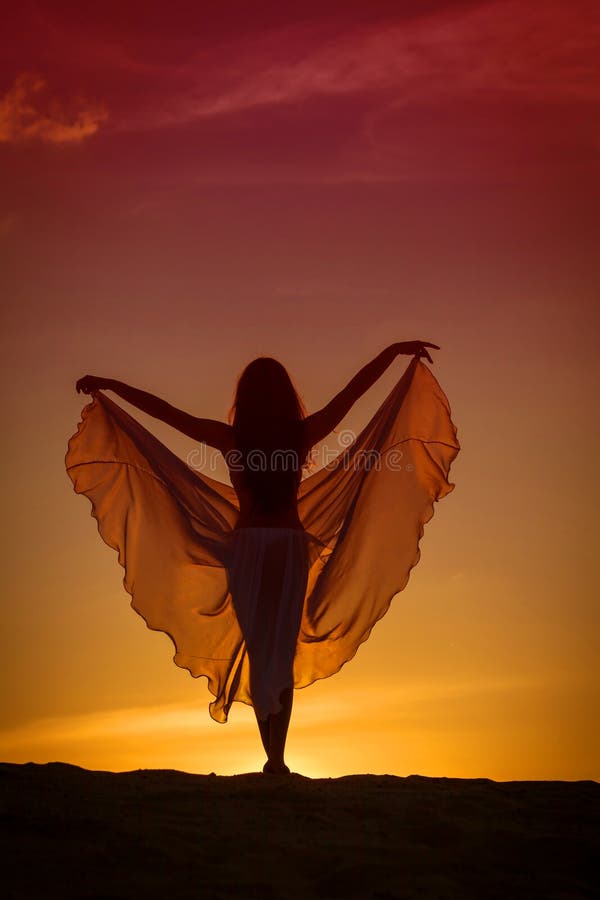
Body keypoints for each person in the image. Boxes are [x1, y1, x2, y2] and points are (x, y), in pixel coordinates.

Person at [74, 340, 444, 775]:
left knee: (259, 650)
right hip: (288, 547)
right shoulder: (301, 436)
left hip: (248, 548)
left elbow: (165, 414)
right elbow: (353, 393)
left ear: (243, 399)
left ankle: (272, 756)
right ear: (287, 397)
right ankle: (278, 759)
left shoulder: (231, 438)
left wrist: (110, 386)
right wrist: (394, 352)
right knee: (280, 653)